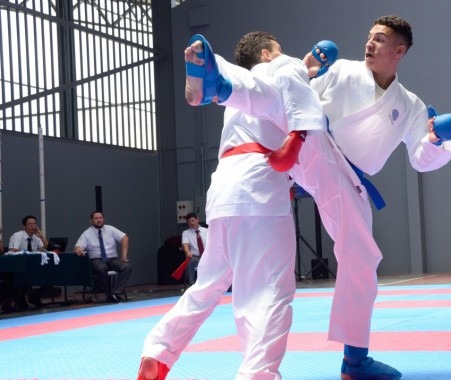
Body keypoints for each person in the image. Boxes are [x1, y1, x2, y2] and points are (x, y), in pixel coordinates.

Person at [138, 32, 330, 380]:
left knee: (207, 286)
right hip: (260, 185)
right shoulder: (280, 68)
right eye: (279, 50)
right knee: (270, 291)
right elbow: (291, 82)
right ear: (267, 53)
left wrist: (311, 69)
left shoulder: (243, 93)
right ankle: (258, 374)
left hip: (224, 188)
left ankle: (158, 352)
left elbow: (274, 96)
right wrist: (301, 123)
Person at [288, 15, 451, 379]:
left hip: (349, 179)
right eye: (369, 37)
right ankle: (224, 86)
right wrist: (306, 71)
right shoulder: (341, 72)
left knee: (363, 258)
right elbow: (296, 103)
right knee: (296, 105)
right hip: (312, 147)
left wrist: (434, 141)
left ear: (399, 51)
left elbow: (420, 160)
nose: (369, 44)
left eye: (380, 40)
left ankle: (355, 362)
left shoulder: (411, 105)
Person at [74, 211, 132, 303]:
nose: (99, 220)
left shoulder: (110, 229)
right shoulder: (87, 233)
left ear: (103, 219)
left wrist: (124, 255)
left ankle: (115, 292)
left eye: (100, 218)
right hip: (96, 260)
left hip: (111, 259)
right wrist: (78, 250)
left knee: (127, 267)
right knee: (102, 268)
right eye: (96, 218)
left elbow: (124, 238)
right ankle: (109, 295)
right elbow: (78, 247)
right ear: (91, 221)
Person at [7, 215, 49, 309]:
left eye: (34, 224)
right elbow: (14, 250)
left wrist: (41, 236)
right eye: (30, 224)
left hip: (32, 266)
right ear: (24, 226)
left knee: (49, 275)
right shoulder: (17, 236)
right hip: (18, 267)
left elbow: (46, 248)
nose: (33, 226)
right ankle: (21, 298)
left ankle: (34, 296)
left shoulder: (36, 237)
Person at [180, 212, 208, 286]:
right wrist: (187, 252)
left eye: (192, 220)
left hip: (207, 256)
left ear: (197, 219)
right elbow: (185, 244)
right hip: (195, 257)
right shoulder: (186, 233)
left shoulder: (207, 231)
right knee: (189, 261)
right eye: (189, 222)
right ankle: (191, 283)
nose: (191, 223)